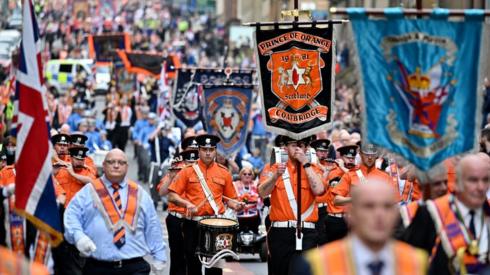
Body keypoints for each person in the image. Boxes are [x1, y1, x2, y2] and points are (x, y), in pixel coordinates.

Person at [64, 149, 167, 275]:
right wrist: (78, 237)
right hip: (98, 267)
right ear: (104, 165)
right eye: (111, 162)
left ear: (127, 166)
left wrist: (159, 256)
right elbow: (71, 216)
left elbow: (152, 225)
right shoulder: (88, 192)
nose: (116, 165)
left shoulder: (139, 193)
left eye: (121, 162)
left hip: (135, 267)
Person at [293, 181, 428, 274]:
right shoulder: (315, 265)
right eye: (368, 206)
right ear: (351, 214)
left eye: (387, 207)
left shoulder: (418, 263)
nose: (379, 215)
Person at [400, 154, 490, 274]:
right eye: (473, 180)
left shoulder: (487, 211)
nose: (480, 187)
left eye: (485, 180)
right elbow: (409, 261)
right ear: (458, 182)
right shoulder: (432, 212)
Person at [168, 134, 244, 275]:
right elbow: (172, 195)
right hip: (192, 224)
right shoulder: (187, 171)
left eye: (211, 149)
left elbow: (230, 199)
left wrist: (237, 205)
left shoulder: (224, 172)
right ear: (199, 151)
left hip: (215, 225)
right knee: (192, 264)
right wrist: (186, 203)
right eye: (204, 149)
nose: (208, 153)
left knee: (215, 268)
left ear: (215, 151)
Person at [258, 135, 324, 275]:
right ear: (286, 147)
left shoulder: (314, 168)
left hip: (306, 233)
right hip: (280, 232)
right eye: (294, 144)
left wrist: (305, 164)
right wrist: (275, 176)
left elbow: (318, 190)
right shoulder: (273, 167)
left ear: (307, 148)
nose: (297, 149)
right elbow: (263, 192)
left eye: (301, 145)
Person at [332, 143, 394, 207]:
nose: (370, 157)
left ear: (376, 155)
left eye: (372, 155)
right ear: (360, 154)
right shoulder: (350, 174)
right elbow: (336, 200)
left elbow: (393, 200)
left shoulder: (385, 177)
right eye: (366, 154)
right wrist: (354, 199)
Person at [323, 144, 358, 243]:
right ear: (341, 158)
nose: (351, 160)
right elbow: (321, 190)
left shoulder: (357, 172)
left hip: (352, 218)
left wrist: (343, 168)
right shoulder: (332, 171)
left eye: (353, 158)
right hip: (335, 218)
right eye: (348, 157)